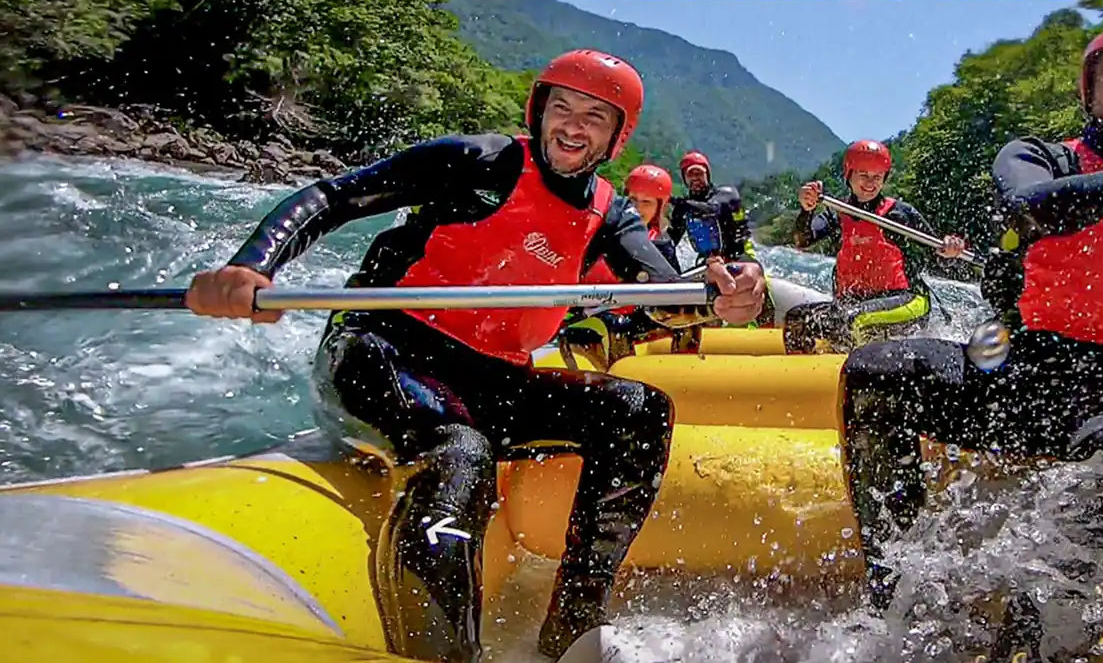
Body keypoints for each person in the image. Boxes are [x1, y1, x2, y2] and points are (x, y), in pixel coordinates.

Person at [182, 49, 768, 662]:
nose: (573, 126)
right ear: (538, 111)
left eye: (594, 116)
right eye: (562, 108)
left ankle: (574, 624)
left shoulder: (609, 214)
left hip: (491, 377)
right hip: (384, 349)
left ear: (616, 138)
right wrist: (253, 266)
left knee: (639, 409)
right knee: (459, 450)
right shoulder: (478, 161)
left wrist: (722, 293)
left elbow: (664, 294)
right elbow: (333, 198)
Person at [836, 23, 1103, 644]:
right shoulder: (1039, 157)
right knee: (875, 371)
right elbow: (1027, 206)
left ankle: (1047, 631)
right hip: (1030, 372)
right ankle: (891, 590)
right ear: (1090, 92)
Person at [785, 139, 970, 354]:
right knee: (797, 320)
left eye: (877, 177)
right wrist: (806, 210)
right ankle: (809, 372)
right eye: (863, 175)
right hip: (853, 303)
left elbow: (937, 256)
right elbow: (802, 241)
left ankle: (853, 367)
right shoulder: (838, 213)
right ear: (849, 175)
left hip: (906, 301)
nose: (870, 183)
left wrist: (950, 250)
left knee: (852, 320)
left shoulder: (899, 214)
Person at [560, 164, 689, 370]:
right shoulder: (602, 236)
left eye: (646, 202)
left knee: (616, 326)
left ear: (659, 208)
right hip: (589, 315)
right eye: (632, 199)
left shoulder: (661, 246)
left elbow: (670, 303)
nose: (637, 208)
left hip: (632, 321)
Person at [666, 151, 777, 327]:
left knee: (754, 281)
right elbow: (670, 241)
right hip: (709, 261)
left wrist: (673, 200)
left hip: (737, 254)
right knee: (698, 298)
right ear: (685, 179)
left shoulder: (726, 194)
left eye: (699, 173)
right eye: (690, 174)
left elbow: (712, 209)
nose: (695, 178)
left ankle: (769, 325)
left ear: (707, 175)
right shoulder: (683, 209)